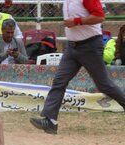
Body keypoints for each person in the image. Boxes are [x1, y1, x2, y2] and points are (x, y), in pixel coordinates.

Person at [30, 0, 125, 134]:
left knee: (104, 85)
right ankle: (50, 121)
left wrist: (77, 21)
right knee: (59, 81)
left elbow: (99, 16)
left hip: (90, 46)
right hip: (72, 47)